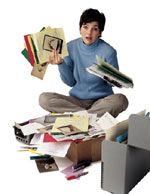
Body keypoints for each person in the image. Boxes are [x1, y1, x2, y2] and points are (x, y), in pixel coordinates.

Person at [39, 8, 128, 117]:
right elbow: (70, 82)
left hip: (101, 102)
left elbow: (112, 84)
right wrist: (61, 64)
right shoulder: (70, 47)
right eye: (85, 27)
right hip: (76, 101)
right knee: (44, 99)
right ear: (80, 29)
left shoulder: (108, 52)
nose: (89, 32)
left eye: (94, 29)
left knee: (121, 100)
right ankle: (88, 116)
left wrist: (107, 74)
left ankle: (79, 117)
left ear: (100, 32)